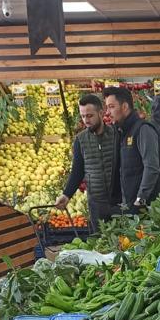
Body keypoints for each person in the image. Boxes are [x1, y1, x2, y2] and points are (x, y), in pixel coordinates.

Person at [56, 92, 118, 231]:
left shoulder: (116, 134)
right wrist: (67, 195)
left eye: (90, 116)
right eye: (83, 116)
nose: (86, 120)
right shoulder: (80, 140)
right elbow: (77, 171)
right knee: (100, 240)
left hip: (118, 202)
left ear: (101, 113)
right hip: (96, 204)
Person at [103, 86, 160, 213]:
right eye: (107, 107)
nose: (107, 112)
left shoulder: (143, 129)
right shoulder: (122, 131)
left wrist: (140, 200)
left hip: (144, 210)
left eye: (111, 107)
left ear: (124, 107)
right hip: (129, 207)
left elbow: (152, 168)